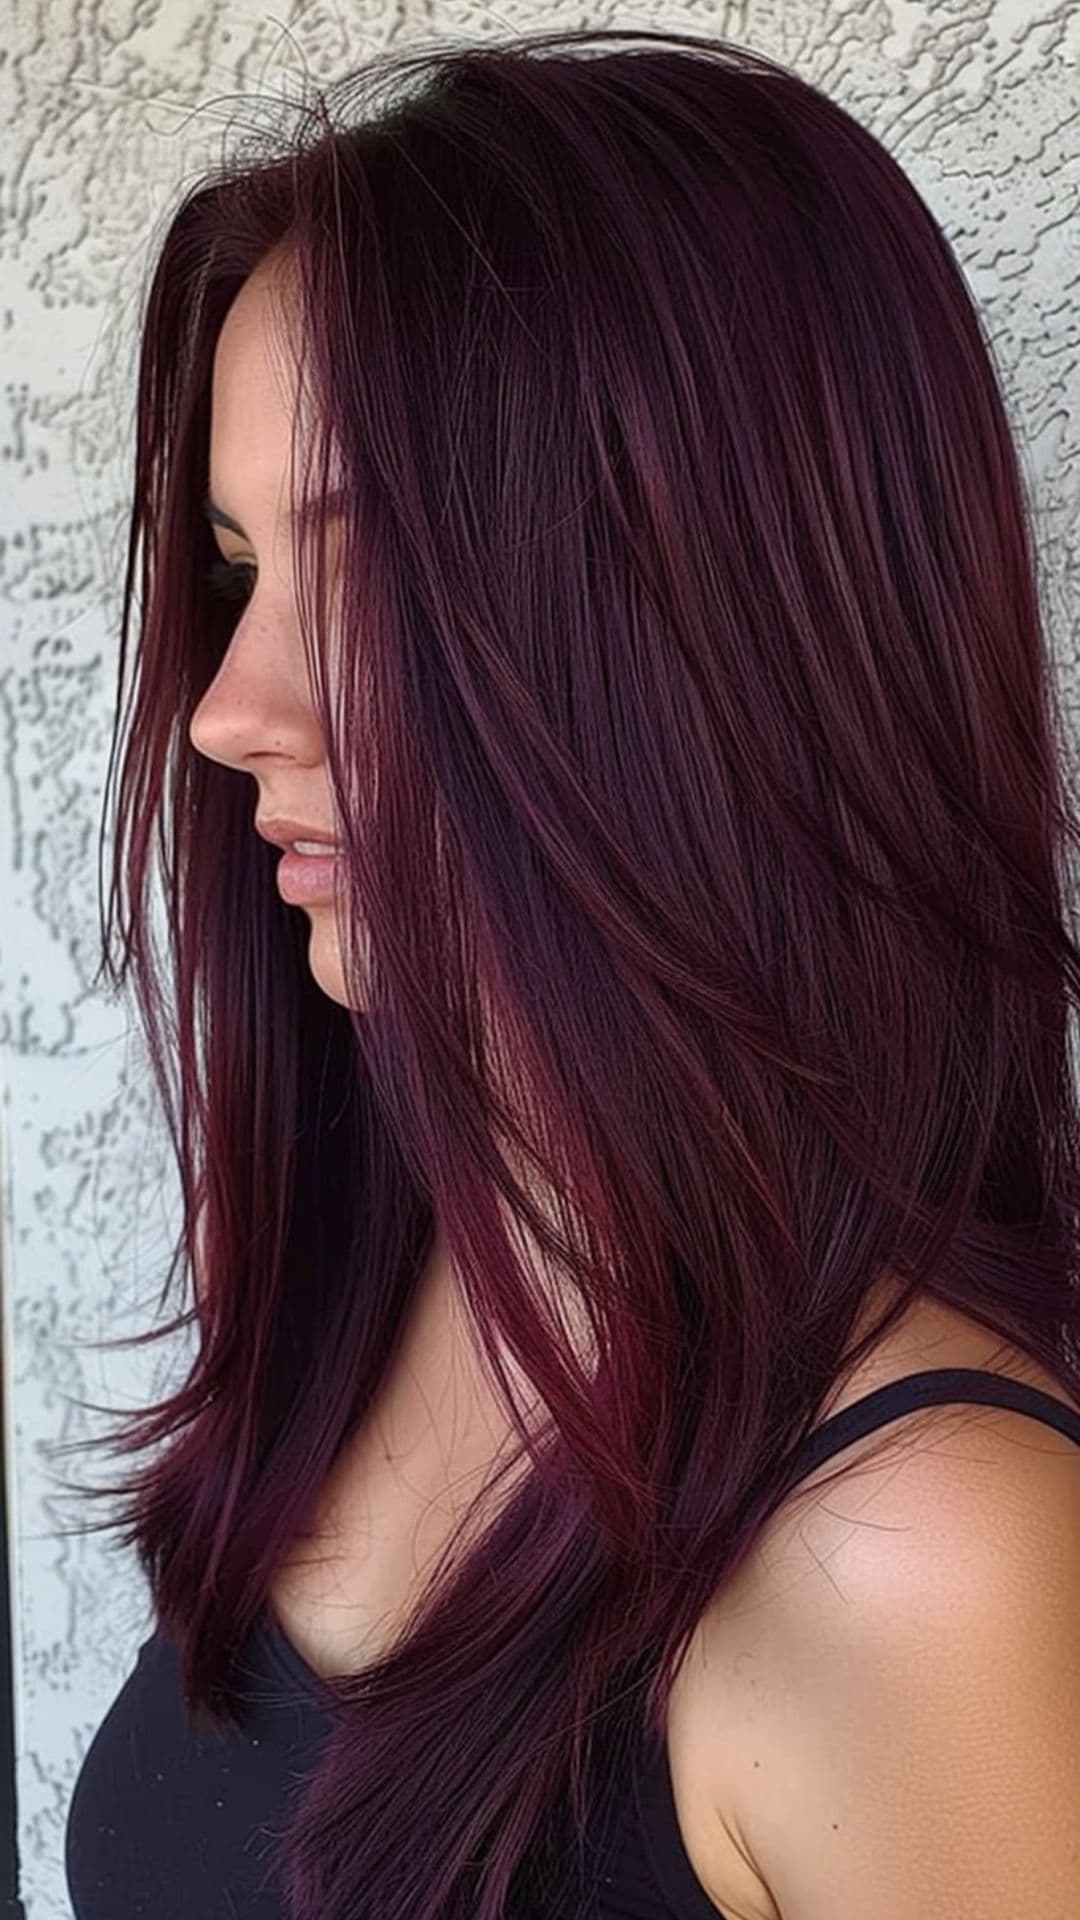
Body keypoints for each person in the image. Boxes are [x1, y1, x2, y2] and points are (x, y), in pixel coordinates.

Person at [61, 24, 1080, 1920]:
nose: (225, 711)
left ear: (724, 629)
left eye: (368, 576)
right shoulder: (392, 1253)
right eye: (235, 569)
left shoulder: (927, 1557)